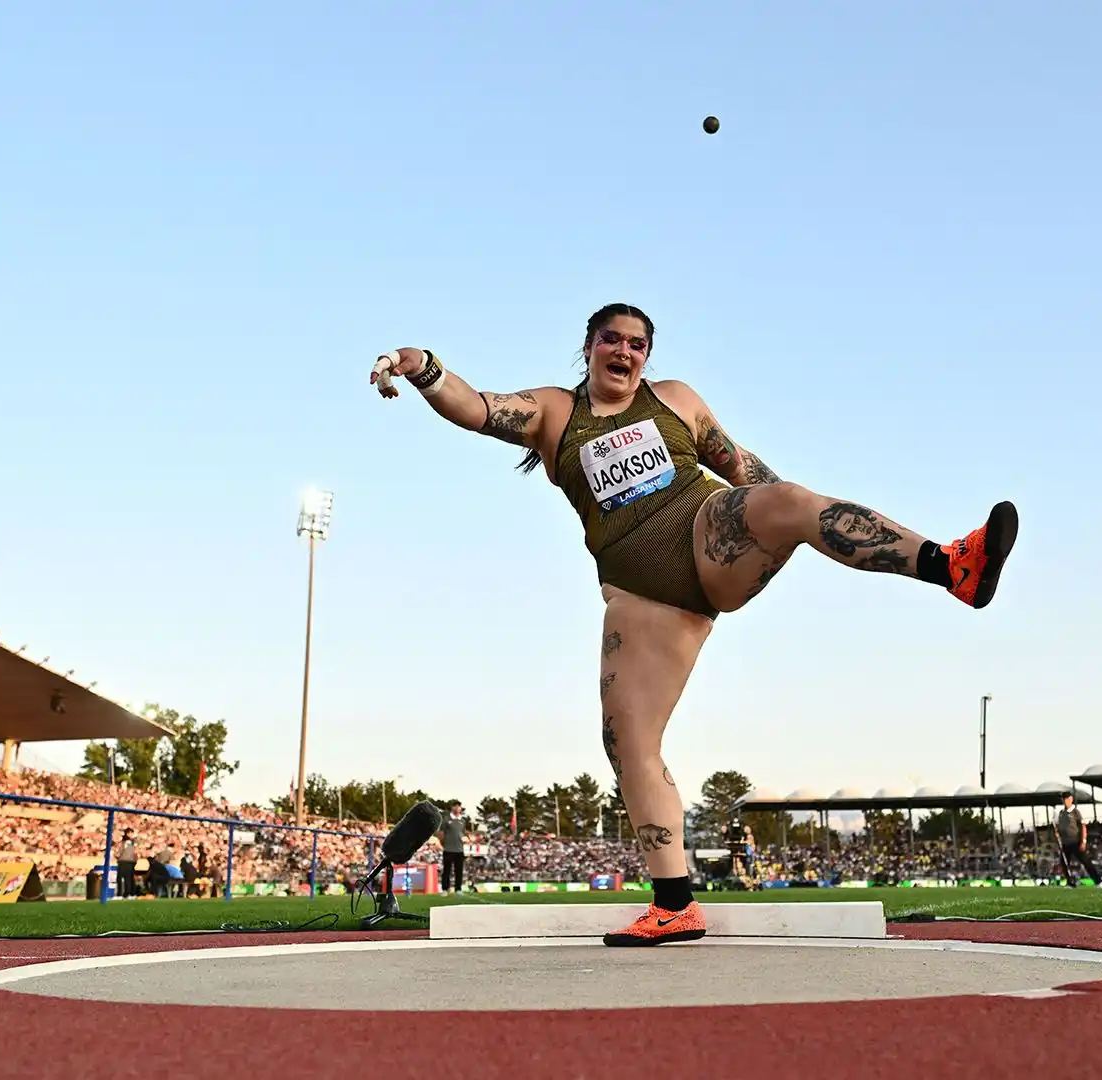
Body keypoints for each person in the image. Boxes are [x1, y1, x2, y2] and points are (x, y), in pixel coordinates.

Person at [370, 304, 1019, 946]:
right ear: (589, 346)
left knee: (789, 500)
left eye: (637, 344)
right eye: (611, 340)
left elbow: (743, 470)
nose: (624, 352)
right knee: (628, 748)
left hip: (711, 539)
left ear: (647, 356)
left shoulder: (677, 401)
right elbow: (476, 406)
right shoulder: (555, 414)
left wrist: (790, 522)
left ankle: (951, 566)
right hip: (644, 598)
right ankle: (675, 904)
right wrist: (421, 366)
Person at [1054, 791, 1102, 887]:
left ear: (1070, 799)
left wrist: (1083, 841)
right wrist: (1057, 832)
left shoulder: (1075, 812)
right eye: (1062, 799)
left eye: (1065, 798)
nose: (1063, 800)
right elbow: (1060, 827)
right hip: (1065, 843)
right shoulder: (1061, 813)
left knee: (1086, 862)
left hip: (1076, 841)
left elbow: (1083, 827)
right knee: (1064, 863)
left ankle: (1098, 881)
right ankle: (1070, 883)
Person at [440, 800, 466, 894]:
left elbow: (463, 833)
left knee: (459, 870)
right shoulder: (446, 819)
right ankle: (444, 889)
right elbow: (441, 833)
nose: (457, 808)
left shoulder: (462, 821)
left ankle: (458, 889)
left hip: (459, 849)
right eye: (455, 806)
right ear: (452, 807)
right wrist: (444, 843)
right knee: (447, 870)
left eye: (459, 806)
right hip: (448, 849)